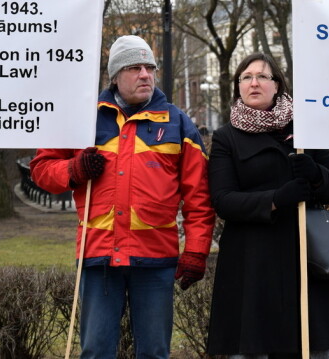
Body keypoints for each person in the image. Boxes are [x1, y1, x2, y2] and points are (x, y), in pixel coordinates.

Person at [31, 35, 215, 359]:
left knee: (155, 353)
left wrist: (197, 251)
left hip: (156, 261)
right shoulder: (82, 118)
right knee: (96, 352)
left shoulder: (179, 124)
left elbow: (199, 197)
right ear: (115, 76)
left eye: (150, 67)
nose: (145, 74)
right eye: (134, 67)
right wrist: (74, 170)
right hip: (98, 257)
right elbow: (42, 170)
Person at [206, 52, 329, 359]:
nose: (254, 83)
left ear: (277, 85)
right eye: (246, 77)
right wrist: (276, 200)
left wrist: (316, 176)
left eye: (263, 76)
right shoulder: (226, 138)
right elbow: (223, 200)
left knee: (317, 346)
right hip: (252, 265)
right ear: (238, 86)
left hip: (307, 259)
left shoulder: (305, 128)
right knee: (254, 347)